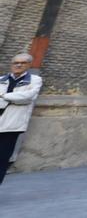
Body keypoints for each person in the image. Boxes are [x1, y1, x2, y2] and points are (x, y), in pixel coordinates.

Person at [0, 53, 42, 185]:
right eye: (16, 62)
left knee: (1, 159)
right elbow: (20, 97)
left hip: (11, 126)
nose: (18, 65)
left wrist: (4, 95)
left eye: (23, 63)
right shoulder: (2, 79)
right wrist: (15, 97)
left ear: (29, 65)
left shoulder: (35, 80)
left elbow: (28, 97)